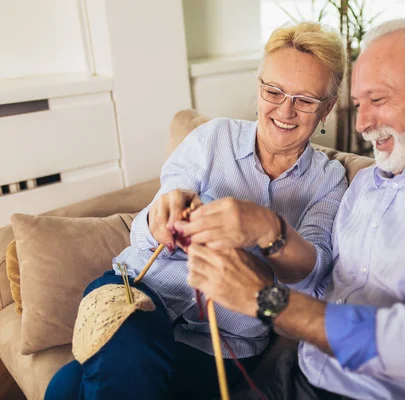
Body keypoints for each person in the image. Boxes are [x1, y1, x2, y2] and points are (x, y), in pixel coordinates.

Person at [186, 18, 405, 400]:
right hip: (301, 378)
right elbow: (316, 299)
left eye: (379, 100)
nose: (363, 124)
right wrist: (264, 246)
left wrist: (265, 299)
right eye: (358, 104)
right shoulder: (365, 185)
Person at [45, 22, 348, 400]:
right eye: (274, 91)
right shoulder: (212, 138)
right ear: (258, 88)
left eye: (305, 100)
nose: (285, 109)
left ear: (328, 109)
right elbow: (147, 227)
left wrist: (268, 230)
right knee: (126, 358)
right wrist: (163, 218)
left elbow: (311, 277)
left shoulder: (329, 181)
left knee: (67, 387)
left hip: (224, 342)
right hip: (136, 291)